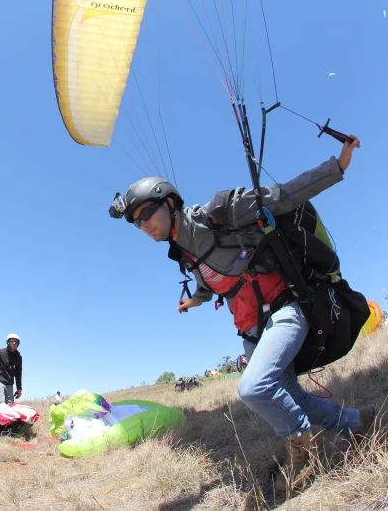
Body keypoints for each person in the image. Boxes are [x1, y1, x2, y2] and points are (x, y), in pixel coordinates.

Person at [110, 137, 375, 490]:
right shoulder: (185, 254)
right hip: (252, 328)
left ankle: (301, 451)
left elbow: (283, 195)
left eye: (145, 213)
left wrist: (336, 166)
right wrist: (196, 301)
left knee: (254, 387)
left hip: (285, 308)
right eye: (135, 223)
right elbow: (211, 282)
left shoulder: (220, 212)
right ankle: (355, 422)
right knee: (287, 393)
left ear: (169, 202)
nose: (143, 225)